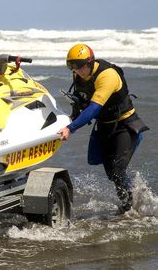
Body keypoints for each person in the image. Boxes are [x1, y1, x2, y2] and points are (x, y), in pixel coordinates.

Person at [57, 43, 148, 214]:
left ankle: (128, 210)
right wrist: (71, 116)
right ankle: (133, 197)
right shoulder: (79, 74)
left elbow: (93, 109)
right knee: (112, 175)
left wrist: (71, 127)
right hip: (105, 127)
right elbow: (80, 100)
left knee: (117, 170)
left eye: (80, 66)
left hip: (125, 126)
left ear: (90, 61)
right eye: (73, 67)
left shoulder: (107, 75)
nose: (77, 71)